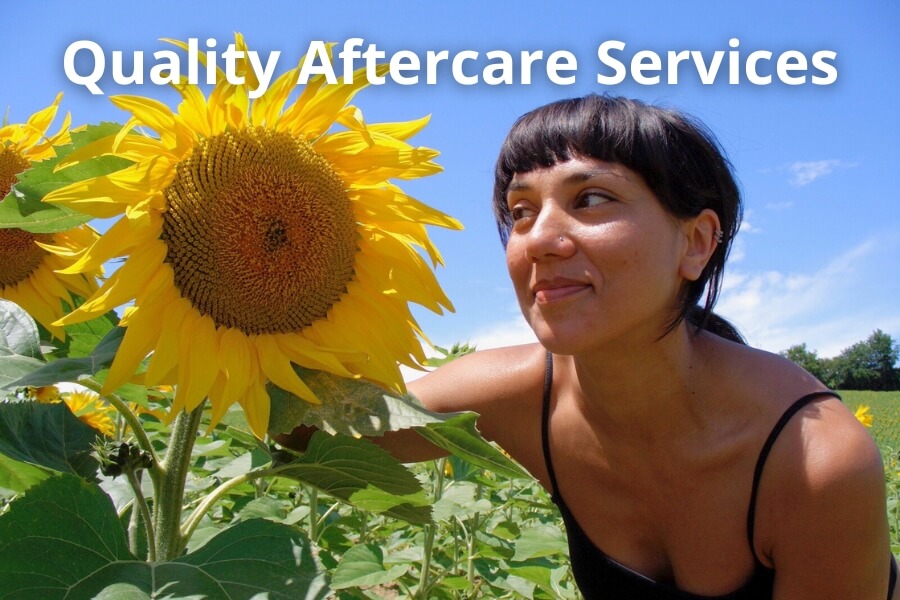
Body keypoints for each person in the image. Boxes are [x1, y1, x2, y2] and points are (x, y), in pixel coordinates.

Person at [280, 95, 898, 599]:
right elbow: (303, 429)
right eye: (519, 211)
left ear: (697, 243)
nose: (539, 239)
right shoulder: (514, 395)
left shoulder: (815, 461)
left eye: (592, 199)